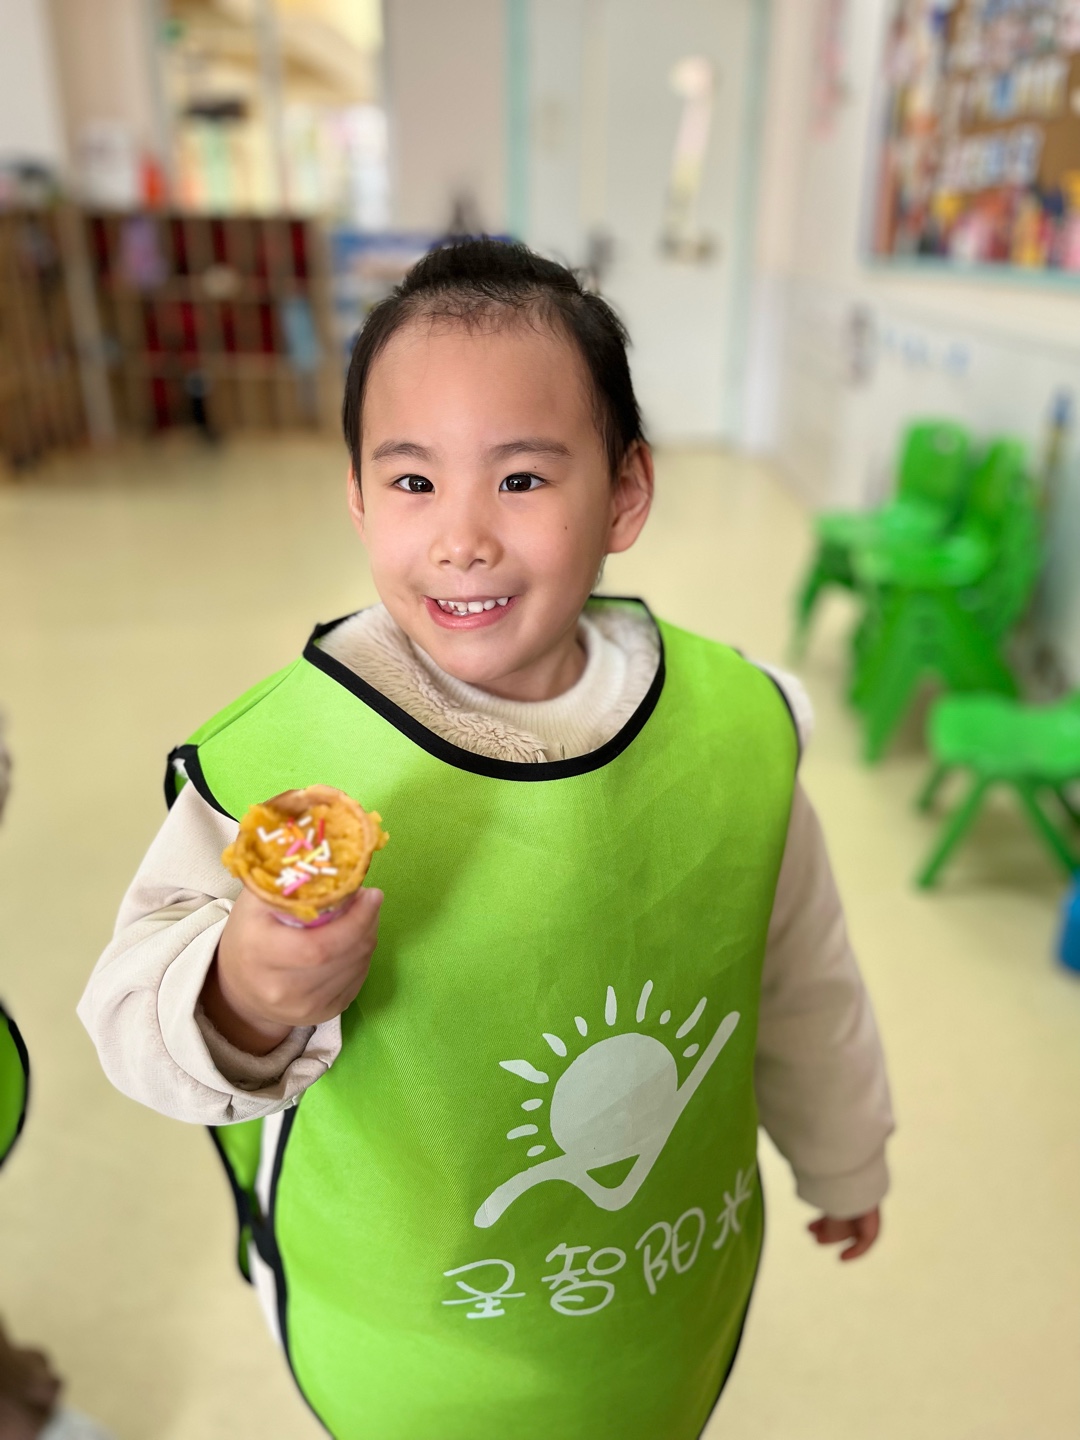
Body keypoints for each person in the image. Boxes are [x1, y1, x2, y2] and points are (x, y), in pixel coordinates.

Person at [79, 239, 893, 1440]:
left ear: (625, 493)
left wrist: (845, 1153)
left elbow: (799, 976)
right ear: (357, 497)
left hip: (656, 1295)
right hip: (405, 1333)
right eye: (413, 481)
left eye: (520, 478)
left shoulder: (735, 729)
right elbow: (129, 1020)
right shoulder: (279, 762)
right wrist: (243, 994)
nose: (461, 537)